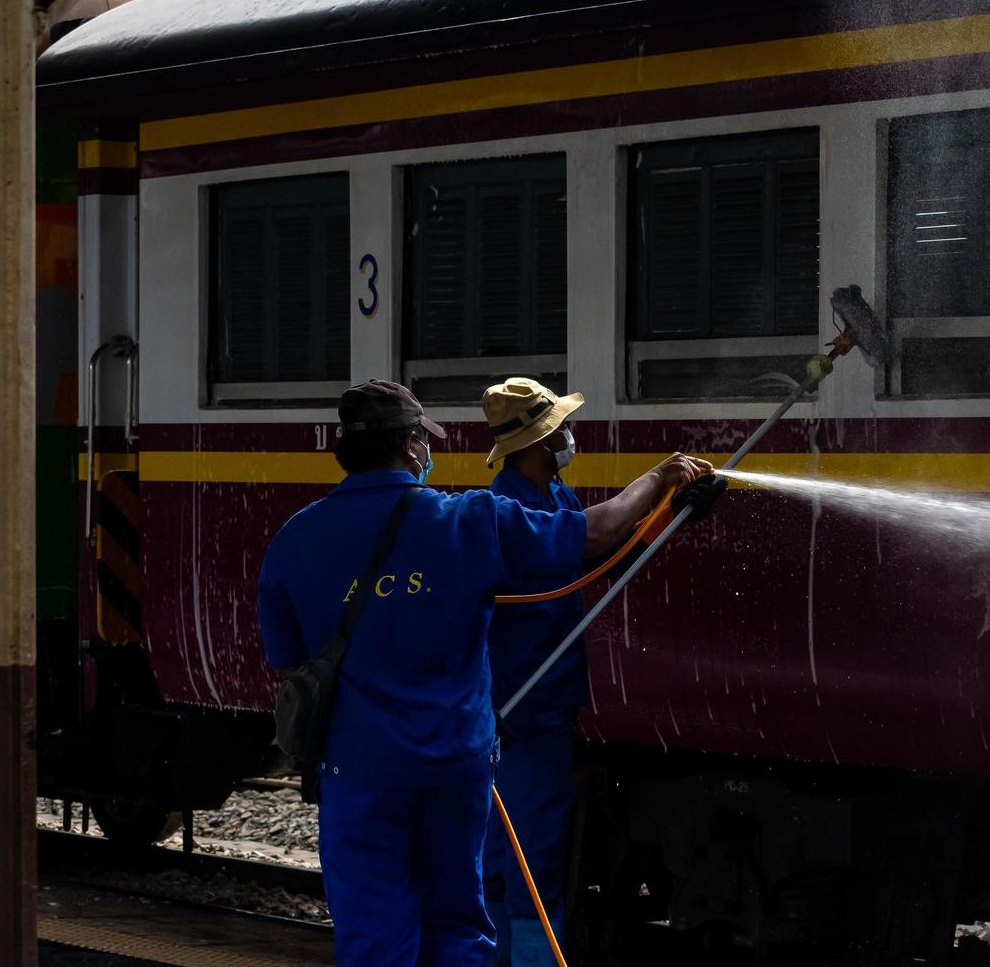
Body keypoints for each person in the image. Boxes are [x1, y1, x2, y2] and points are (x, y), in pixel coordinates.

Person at [256, 379, 708, 967]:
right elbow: (595, 534)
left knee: (374, 932)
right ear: (413, 445)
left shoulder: (293, 542)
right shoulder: (467, 521)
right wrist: (659, 479)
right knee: (458, 927)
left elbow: (289, 667)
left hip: (359, 772)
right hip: (455, 766)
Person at [479, 377, 724, 965]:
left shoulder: (555, 498)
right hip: (516, 714)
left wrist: (675, 514)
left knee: (531, 858)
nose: (569, 436)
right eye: (561, 428)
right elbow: (602, 532)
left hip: (545, 707)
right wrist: (659, 478)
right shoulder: (507, 512)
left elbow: (613, 556)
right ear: (540, 442)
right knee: (518, 863)